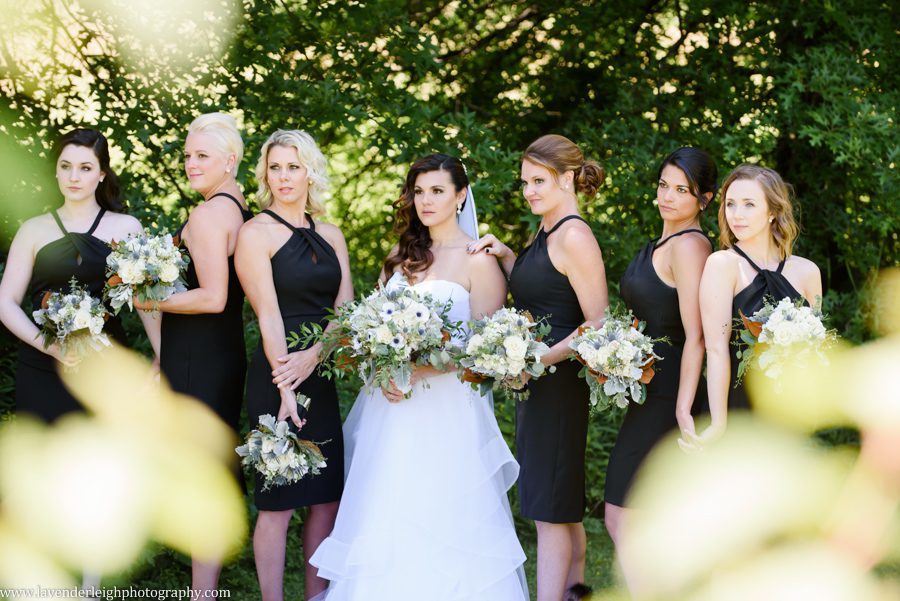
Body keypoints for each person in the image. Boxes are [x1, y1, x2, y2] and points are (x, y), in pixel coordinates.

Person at [310, 154, 528, 600]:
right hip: (391, 409)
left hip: (446, 410)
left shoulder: (478, 261)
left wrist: (421, 367)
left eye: (438, 191)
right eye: (419, 191)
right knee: (388, 506)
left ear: (460, 195)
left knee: (442, 509)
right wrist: (381, 367)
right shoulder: (399, 258)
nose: (425, 201)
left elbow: (484, 352)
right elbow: (370, 326)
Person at [468, 134, 608, 601]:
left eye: (539, 181)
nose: (528, 190)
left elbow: (597, 323)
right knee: (559, 505)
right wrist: (509, 256)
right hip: (541, 384)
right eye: (525, 181)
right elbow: (543, 296)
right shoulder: (546, 230)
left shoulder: (574, 234)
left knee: (550, 509)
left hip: (560, 386)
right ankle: (576, 593)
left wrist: (536, 359)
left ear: (566, 179)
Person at [133, 112, 252, 594]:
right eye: (187, 155)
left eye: (202, 156)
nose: (190, 163)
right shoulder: (238, 206)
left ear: (230, 160)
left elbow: (213, 296)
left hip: (200, 355)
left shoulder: (207, 214)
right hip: (219, 353)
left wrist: (148, 299)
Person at [235, 129, 353, 601]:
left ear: (310, 172)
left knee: (326, 499)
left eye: (293, 166)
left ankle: (317, 597)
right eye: (276, 167)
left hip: (320, 374)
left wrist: (315, 357)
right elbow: (267, 313)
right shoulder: (254, 232)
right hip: (275, 374)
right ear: (265, 172)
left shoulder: (331, 234)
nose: (284, 176)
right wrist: (285, 384)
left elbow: (345, 311)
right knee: (278, 502)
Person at [602, 147, 716, 588]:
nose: (668, 196)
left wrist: (684, 407)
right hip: (649, 387)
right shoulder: (664, 242)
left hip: (671, 392)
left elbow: (697, 334)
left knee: (622, 514)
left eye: (681, 190)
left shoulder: (690, 246)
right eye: (664, 185)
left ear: (703, 200)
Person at [0, 128, 160, 423]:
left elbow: (146, 300)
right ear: (56, 172)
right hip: (42, 365)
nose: (74, 177)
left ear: (101, 174)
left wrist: (163, 357)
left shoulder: (127, 227)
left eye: (85, 168)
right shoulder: (33, 230)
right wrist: (51, 346)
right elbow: (5, 302)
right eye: (66, 166)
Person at [690, 164, 822, 447]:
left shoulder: (808, 272)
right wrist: (718, 423)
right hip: (740, 411)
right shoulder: (723, 265)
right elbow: (715, 350)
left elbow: (816, 350)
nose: (736, 215)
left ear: (772, 211)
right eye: (730, 204)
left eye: (749, 204)